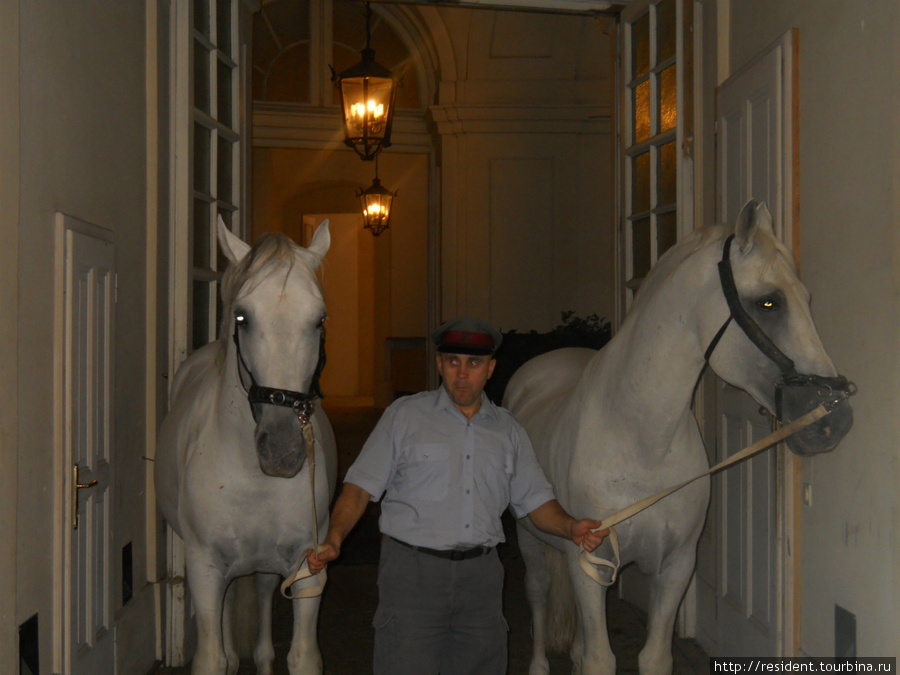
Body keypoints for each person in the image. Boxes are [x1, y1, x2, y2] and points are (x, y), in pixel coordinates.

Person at [308, 316, 607, 675]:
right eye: (453, 361)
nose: (462, 374)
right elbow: (358, 489)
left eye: (474, 363)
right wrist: (334, 538)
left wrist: (571, 527)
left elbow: (537, 502)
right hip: (411, 578)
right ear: (439, 364)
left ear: (490, 368)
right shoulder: (404, 416)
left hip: (481, 582)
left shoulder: (509, 431)